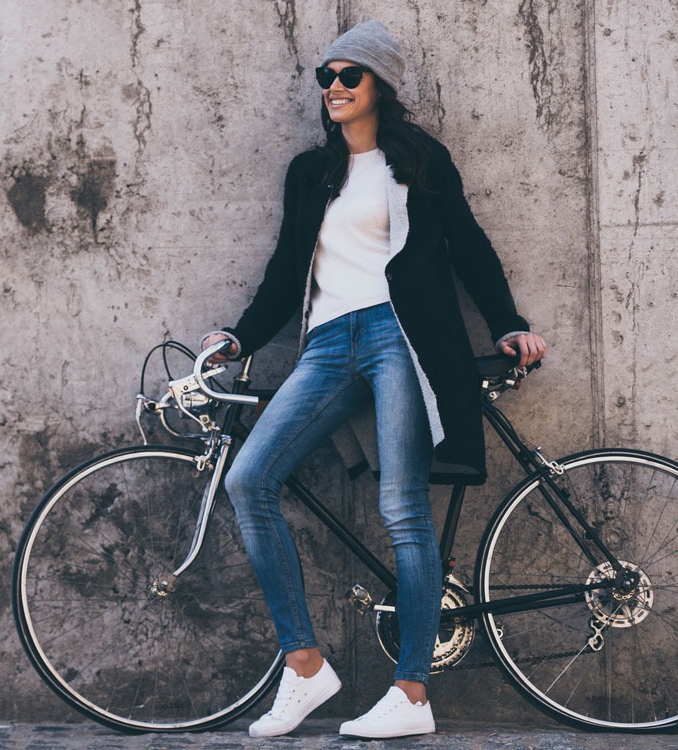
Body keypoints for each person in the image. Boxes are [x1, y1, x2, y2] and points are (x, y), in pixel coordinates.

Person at [201, 20, 547, 739]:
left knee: (402, 509)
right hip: (327, 346)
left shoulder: (418, 160)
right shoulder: (309, 173)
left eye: (348, 75)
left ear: (378, 85)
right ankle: (304, 667)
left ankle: (412, 694)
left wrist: (509, 321)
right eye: (325, 76)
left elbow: (470, 248)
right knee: (249, 481)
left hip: (400, 339)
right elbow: (283, 273)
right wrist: (241, 337)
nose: (333, 86)